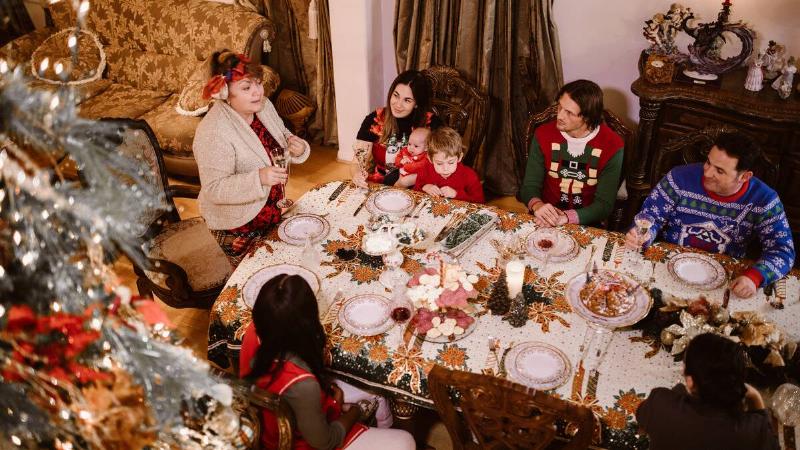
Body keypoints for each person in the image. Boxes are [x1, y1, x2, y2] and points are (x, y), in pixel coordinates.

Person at [240, 274, 416, 450]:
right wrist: (357, 411)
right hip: (299, 443)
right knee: (405, 440)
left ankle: (380, 431)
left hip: (274, 423)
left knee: (374, 390)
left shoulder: (253, 330)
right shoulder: (303, 384)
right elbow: (325, 442)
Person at [624, 131, 795, 298]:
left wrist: (754, 277)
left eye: (719, 171)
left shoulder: (765, 200)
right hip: (667, 269)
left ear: (744, 176)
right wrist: (643, 236)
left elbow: (783, 251)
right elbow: (650, 217)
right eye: (708, 162)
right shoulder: (677, 178)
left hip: (725, 283)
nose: (707, 172)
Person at [193, 50, 310, 267]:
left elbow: (282, 135)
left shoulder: (264, 107)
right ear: (224, 92)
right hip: (238, 227)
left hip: (271, 211)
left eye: (258, 83)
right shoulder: (213, 132)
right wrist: (259, 178)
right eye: (246, 87)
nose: (257, 92)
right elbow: (214, 189)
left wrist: (296, 146)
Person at [636, 333, 779, 450]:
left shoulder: (660, 403)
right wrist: (755, 397)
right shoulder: (752, 430)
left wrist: (678, 393)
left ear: (691, 382)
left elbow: (641, 415)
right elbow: (771, 444)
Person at [519, 79, 624, 227]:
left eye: (569, 113)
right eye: (560, 107)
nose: (560, 116)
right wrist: (537, 205)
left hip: (586, 220)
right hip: (544, 215)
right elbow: (529, 186)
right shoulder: (543, 134)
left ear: (587, 117)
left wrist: (568, 217)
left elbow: (604, 205)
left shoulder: (612, 145)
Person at [352, 70, 442, 186]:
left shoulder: (431, 125)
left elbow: (442, 166)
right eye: (396, 95)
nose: (398, 104)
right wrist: (357, 174)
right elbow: (357, 162)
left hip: (419, 186)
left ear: (417, 103)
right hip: (380, 184)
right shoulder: (375, 119)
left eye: (407, 100)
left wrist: (403, 183)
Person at [411, 126, 484, 203]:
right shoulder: (425, 170)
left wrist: (456, 194)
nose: (445, 168)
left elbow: (479, 201)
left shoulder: (470, 176)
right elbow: (414, 193)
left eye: (451, 162)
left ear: (459, 157)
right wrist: (425, 187)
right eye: (439, 163)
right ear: (430, 159)